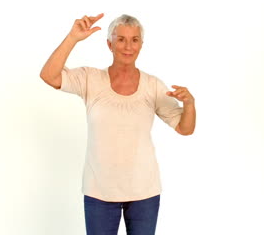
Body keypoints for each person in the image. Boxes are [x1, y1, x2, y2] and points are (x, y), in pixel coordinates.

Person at [40, 13, 196, 235]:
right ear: (109, 44)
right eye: (120, 39)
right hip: (99, 192)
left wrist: (189, 104)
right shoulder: (89, 79)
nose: (127, 46)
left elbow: (185, 128)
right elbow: (48, 76)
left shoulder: (153, 86)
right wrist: (73, 37)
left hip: (144, 192)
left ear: (141, 45)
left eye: (134, 40)